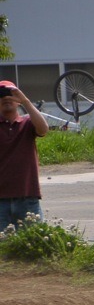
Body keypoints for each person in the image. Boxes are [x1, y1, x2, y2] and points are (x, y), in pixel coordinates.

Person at [0, 80, 49, 230]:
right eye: (2, 95)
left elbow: (43, 129)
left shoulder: (27, 124)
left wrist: (25, 101)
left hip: (27, 197)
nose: (7, 98)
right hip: (0, 201)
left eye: (11, 94)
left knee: (33, 246)